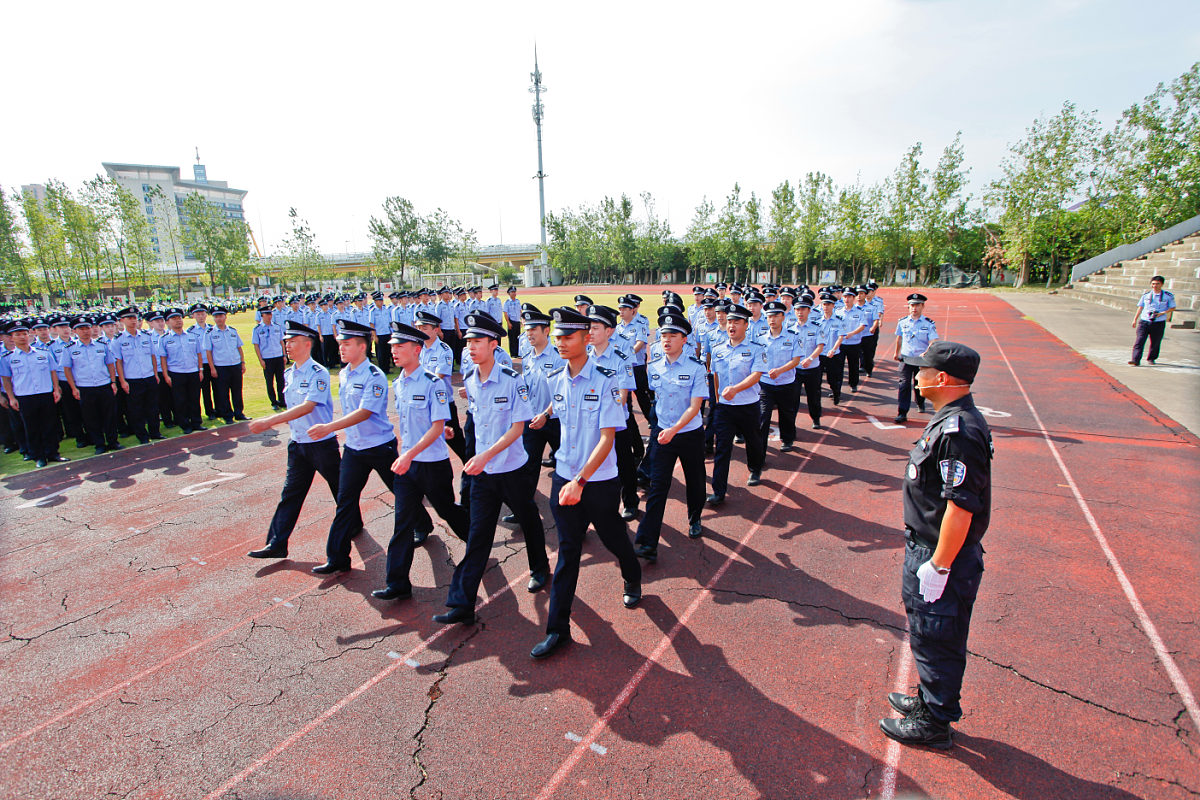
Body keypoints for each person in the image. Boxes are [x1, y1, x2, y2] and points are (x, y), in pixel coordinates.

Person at [880, 341, 993, 750]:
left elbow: (960, 508)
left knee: (937, 635)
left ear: (942, 379)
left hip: (940, 553)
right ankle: (929, 700)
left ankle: (935, 721)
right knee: (928, 631)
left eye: (922, 370)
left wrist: (940, 565)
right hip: (928, 547)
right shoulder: (949, 419)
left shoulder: (959, 431)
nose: (916, 376)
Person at [532, 307, 642, 659]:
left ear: (585, 338)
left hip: (597, 482)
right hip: (565, 477)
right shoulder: (555, 380)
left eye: (569, 336)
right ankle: (557, 630)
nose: (562, 343)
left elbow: (607, 439)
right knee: (568, 552)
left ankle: (632, 573)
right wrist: (544, 415)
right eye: (558, 336)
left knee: (613, 539)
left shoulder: (607, 380)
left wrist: (581, 480)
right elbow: (560, 417)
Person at [434, 313, 550, 626]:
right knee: (478, 536)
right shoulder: (470, 379)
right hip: (485, 474)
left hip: (511, 469)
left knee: (528, 518)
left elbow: (517, 429)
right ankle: (462, 603)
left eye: (477, 341)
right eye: (468, 341)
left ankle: (539, 568)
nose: (470, 346)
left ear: (493, 344)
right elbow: (477, 425)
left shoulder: (513, 379)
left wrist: (486, 455)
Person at [372, 321, 470, 601]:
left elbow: (438, 427)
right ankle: (397, 582)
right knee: (402, 523)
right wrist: (409, 455)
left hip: (431, 464)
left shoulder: (432, 383)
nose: (393, 351)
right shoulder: (399, 383)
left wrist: (410, 453)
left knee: (448, 511)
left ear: (416, 350)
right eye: (392, 347)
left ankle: (476, 543)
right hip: (409, 466)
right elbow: (426, 424)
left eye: (399, 346)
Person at [247, 321, 341, 559]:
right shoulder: (289, 373)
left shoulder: (318, 373)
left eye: (292, 341)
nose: (287, 345)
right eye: (286, 341)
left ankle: (353, 522)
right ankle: (277, 543)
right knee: (290, 494)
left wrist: (269, 421)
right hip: (298, 443)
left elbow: (307, 407)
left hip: (321, 444)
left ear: (307, 344)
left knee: (341, 489)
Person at [312, 319, 396, 575]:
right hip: (354, 449)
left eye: (346, 344)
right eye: (340, 344)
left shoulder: (375, 376)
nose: (341, 348)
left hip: (379, 446)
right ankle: (337, 557)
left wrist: (329, 427)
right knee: (345, 502)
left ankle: (422, 524)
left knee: (401, 492)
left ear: (362, 347)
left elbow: (365, 412)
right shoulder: (345, 373)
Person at [633, 311, 708, 562]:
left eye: (673, 335)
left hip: (688, 434)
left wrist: (673, 430)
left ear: (684, 339)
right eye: (663, 335)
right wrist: (660, 430)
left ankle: (695, 516)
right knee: (658, 486)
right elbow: (658, 399)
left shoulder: (696, 369)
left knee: (695, 480)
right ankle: (646, 541)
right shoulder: (653, 367)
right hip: (663, 434)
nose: (666, 339)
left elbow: (695, 406)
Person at [707, 304, 768, 505]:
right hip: (724, 408)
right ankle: (718, 491)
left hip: (748, 405)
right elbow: (715, 376)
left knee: (753, 441)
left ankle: (755, 468)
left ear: (745, 324)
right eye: (729, 321)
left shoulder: (756, 349)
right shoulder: (718, 349)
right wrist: (717, 399)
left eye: (736, 322)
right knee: (722, 448)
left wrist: (736, 389)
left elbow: (756, 375)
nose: (731, 325)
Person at [587, 305, 641, 521]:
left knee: (624, 464)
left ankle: (630, 501)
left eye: (595, 328)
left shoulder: (621, 358)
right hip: (591, 423)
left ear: (609, 331)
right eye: (588, 328)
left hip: (616, 423)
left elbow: (623, 396)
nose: (589, 332)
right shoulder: (585, 356)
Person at [0, 318, 69, 468]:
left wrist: (56, 389)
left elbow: (53, 373)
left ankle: (53, 453)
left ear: (30, 335)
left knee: (50, 426)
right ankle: (38, 456)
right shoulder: (8, 358)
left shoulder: (43, 352)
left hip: (45, 394)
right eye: (17, 334)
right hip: (25, 396)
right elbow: (6, 380)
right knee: (31, 427)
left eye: (24, 333)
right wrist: (11, 397)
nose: (22, 337)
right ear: (11, 337)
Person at [61, 316, 123, 455]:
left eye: (87, 328)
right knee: (91, 417)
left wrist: (113, 382)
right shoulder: (70, 348)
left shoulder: (102, 345)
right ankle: (99, 444)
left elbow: (110, 364)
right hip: (85, 387)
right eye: (81, 329)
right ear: (74, 331)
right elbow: (67, 369)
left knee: (109, 415)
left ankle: (113, 441)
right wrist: (73, 388)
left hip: (104, 385)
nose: (85, 331)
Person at [756, 300, 804, 455]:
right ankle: (760, 451)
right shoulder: (760, 338)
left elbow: (796, 360)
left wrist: (780, 371)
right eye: (769, 316)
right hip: (766, 384)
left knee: (787, 414)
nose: (772, 319)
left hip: (786, 383)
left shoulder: (793, 337)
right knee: (763, 417)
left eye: (776, 316)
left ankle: (788, 439)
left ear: (783, 317)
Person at [113, 307, 164, 444]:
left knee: (153, 407)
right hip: (132, 379)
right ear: (122, 320)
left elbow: (153, 356)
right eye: (129, 318)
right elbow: (118, 362)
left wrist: (155, 374)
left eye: (135, 318)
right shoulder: (118, 340)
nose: (133, 321)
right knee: (136, 410)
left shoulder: (146, 336)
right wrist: (122, 381)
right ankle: (142, 436)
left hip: (149, 377)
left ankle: (155, 432)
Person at [892, 294, 939, 424]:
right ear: (908, 307)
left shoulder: (929, 323)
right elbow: (899, 337)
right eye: (912, 305)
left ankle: (920, 402)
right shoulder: (902, 322)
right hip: (906, 358)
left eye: (917, 305)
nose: (914, 308)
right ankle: (902, 412)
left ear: (922, 306)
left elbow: (933, 340)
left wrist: (927, 352)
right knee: (904, 384)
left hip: (921, 360)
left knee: (919, 385)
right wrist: (897, 353)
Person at [159, 309, 206, 434]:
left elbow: (199, 354)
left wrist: (200, 370)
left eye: (179, 318)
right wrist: (166, 375)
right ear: (168, 322)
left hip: (192, 371)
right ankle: (185, 425)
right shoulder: (164, 339)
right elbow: (163, 358)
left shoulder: (192, 336)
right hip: (176, 372)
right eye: (174, 319)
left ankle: (196, 422)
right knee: (180, 400)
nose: (178, 321)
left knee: (194, 398)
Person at [206, 306, 250, 425]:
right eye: (216, 316)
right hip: (221, 366)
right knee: (223, 392)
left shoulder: (232, 331)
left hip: (235, 364)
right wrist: (212, 368)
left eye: (221, 316)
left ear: (225, 317)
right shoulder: (210, 333)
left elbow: (239, 348)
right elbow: (208, 352)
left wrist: (242, 362)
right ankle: (227, 415)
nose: (218, 318)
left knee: (237, 390)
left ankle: (239, 413)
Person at [792, 298, 826, 430]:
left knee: (813, 396)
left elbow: (820, 346)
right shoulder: (789, 329)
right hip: (795, 369)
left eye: (803, 309)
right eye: (798, 309)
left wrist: (810, 359)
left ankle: (816, 418)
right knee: (793, 398)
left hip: (812, 368)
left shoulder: (816, 327)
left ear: (809, 311)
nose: (800, 312)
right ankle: (791, 422)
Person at [1129, 275, 1176, 366]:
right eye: (1153, 283)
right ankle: (1135, 359)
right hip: (1144, 321)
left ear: (1162, 284)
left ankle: (1151, 358)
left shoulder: (1167, 296)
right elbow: (1140, 307)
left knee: (1155, 342)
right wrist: (1135, 319)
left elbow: (1173, 307)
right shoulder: (1146, 295)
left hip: (1158, 322)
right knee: (1139, 341)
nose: (1155, 285)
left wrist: (1162, 313)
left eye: (1157, 284)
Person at [187, 304, 217, 421]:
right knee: (205, 389)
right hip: (201, 364)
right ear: (193, 315)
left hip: (214, 362)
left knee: (217, 388)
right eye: (198, 314)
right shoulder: (190, 332)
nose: (200, 316)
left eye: (202, 313)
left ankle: (219, 409)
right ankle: (210, 411)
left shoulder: (212, 328)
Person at [253, 307, 287, 410]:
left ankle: (282, 400)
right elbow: (256, 345)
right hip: (267, 358)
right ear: (262, 315)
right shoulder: (258, 329)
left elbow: (281, 341)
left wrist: (284, 355)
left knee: (281, 380)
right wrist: (261, 360)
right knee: (269, 381)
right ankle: (273, 402)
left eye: (270, 314)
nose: (269, 316)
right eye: (266, 314)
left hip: (278, 356)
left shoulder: (277, 327)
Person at [837, 287, 869, 393]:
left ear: (853, 298)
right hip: (841, 343)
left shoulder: (859, 312)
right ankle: (836, 387)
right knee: (838, 366)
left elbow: (863, 325)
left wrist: (853, 333)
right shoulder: (838, 312)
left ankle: (853, 384)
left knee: (853, 365)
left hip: (854, 343)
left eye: (849, 297)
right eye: (845, 297)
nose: (847, 299)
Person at [503, 285, 522, 356]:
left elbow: (520, 311)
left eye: (515, 292)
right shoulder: (507, 302)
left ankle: (518, 352)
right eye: (512, 292)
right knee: (512, 338)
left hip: (517, 321)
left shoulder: (517, 301)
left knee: (518, 337)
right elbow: (505, 313)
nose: (514, 293)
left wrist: (521, 320)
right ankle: (513, 353)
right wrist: (508, 323)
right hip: (512, 321)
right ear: (509, 293)